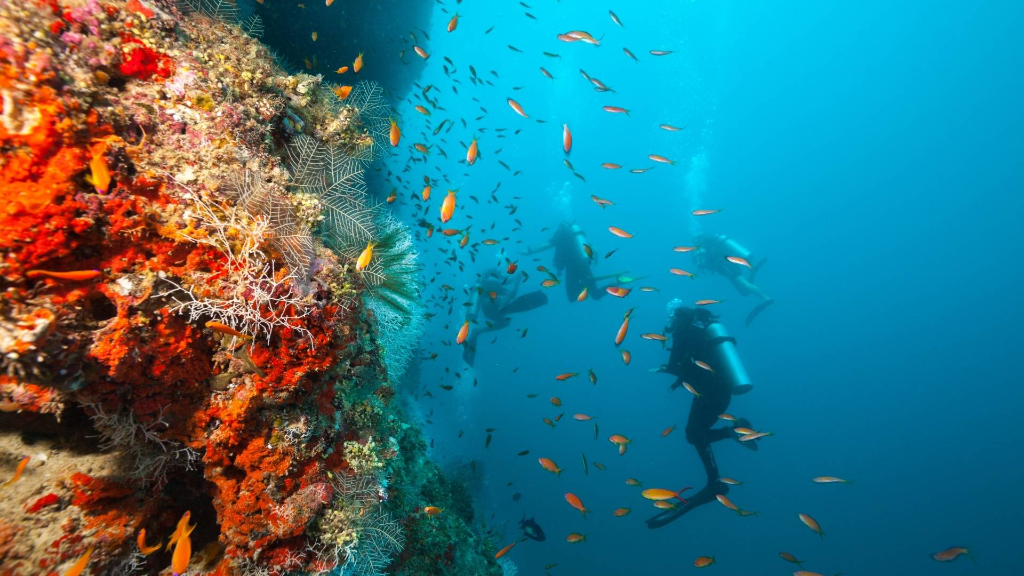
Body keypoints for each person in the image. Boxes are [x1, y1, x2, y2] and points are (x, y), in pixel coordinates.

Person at [646, 301, 757, 529]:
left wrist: (666, 370)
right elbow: (696, 364)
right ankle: (732, 432)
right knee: (695, 433)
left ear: (677, 318)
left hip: (709, 394)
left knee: (693, 434)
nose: (670, 323)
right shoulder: (700, 331)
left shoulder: (683, 333)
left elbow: (677, 365)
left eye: (672, 318)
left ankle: (715, 481)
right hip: (720, 392)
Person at [461, 267, 547, 367]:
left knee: (505, 322)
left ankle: (478, 331)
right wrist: (517, 279)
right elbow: (511, 294)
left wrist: (517, 280)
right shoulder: (492, 284)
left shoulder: (485, 285)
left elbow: (511, 295)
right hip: (493, 307)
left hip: (492, 313)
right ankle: (499, 311)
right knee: (507, 300)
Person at [525, 222, 626, 302]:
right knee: (595, 295)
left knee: (572, 298)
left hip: (572, 268)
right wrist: (596, 261)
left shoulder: (560, 234)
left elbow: (546, 245)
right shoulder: (577, 236)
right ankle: (617, 282)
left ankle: (584, 283)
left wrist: (531, 251)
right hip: (585, 265)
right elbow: (594, 249)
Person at [693, 232, 773, 326]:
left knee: (743, 283)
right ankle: (752, 272)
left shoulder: (705, 249)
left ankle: (765, 298)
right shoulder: (712, 245)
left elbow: (705, 264)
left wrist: (699, 260)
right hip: (730, 265)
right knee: (744, 292)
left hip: (726, 267)